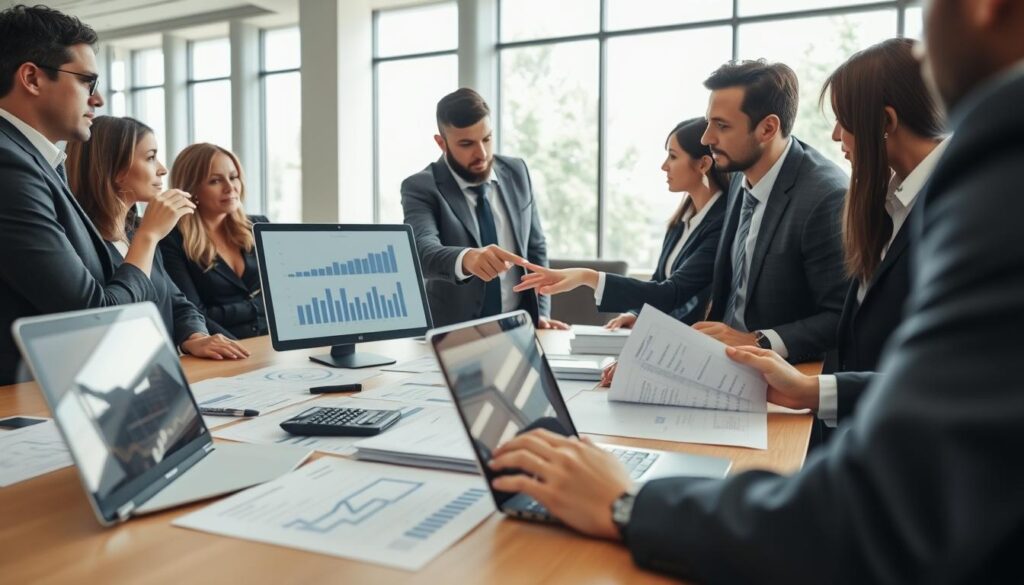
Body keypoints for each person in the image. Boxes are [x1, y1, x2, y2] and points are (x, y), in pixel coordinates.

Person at [480, 0, 1024, 581]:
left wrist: (625, 504)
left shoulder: (976, 181)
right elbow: (952, 388)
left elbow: (874, 507)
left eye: (719, 125)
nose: (706, 140)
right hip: (788, 398)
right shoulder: (751, 187)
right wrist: (801, 387)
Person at [735, 38, 948, 433]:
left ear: (885, 123)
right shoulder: (891, 202)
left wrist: (811, 390)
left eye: (843, 120)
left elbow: (951, 378)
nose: (835, 136)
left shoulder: (963, 206)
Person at [0, 5, 187, 384]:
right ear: (32, 78)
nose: (98, 100)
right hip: (25, 407)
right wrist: (148, 237)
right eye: (88, 82)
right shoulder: (9, 165)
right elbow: (94, 318)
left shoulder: (42, 162)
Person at [692, 60, 850, 364]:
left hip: (783, 376)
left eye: (722, 126)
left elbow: (841, 316)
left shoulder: (825, 197)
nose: (706, 138)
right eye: (709, 122)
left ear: (767, 128)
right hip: (720, 362)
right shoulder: (740, 173)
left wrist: (757, 340)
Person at [510, 118, 728, 328]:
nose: (664, 166)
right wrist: (635, 315)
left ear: (703, 164)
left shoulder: (720, 225)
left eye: (673, 156)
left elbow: (670, 293)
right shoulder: (682, 220)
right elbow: (659, 279)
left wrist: (587, 276)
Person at [65, 116, 250, 360]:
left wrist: (196, 337)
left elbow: (176, 301)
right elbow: (107, 317)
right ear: (115, 169)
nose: (162, 168)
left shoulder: (135, 231)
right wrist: (149, 236)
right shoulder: (81, 239)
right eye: (151, 157)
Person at [401, 87, 566, 329]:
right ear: (441, 143)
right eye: (466, 144)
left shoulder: (517, 171)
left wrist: (539, 313)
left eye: (487, 139)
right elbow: (422, 251)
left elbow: (535, 247)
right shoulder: (421, 187)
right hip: (454, 335)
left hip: (518, 327)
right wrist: (467, 258)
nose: (481, 153)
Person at [159, 143, 269, 340]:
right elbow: (194, 314)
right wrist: (260, 307)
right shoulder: (172, 240)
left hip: (271, 344)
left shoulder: (258, 226)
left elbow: (286, 299)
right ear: (192, 189)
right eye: (215, 181)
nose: (230, 187)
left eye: (233, 177)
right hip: (224, 349)